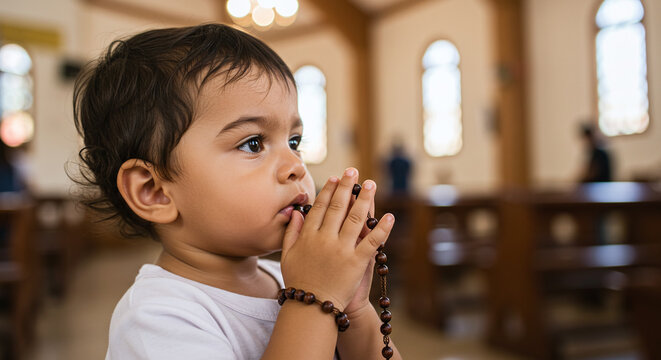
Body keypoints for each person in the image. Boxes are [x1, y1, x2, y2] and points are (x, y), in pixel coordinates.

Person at [72, 24, 401, 360]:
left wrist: (355, 309)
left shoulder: (285, 276)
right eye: (253, 143)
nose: (296, 166)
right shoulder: (157, 318)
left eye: (294, 142)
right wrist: (315, 297)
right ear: (154, 192)